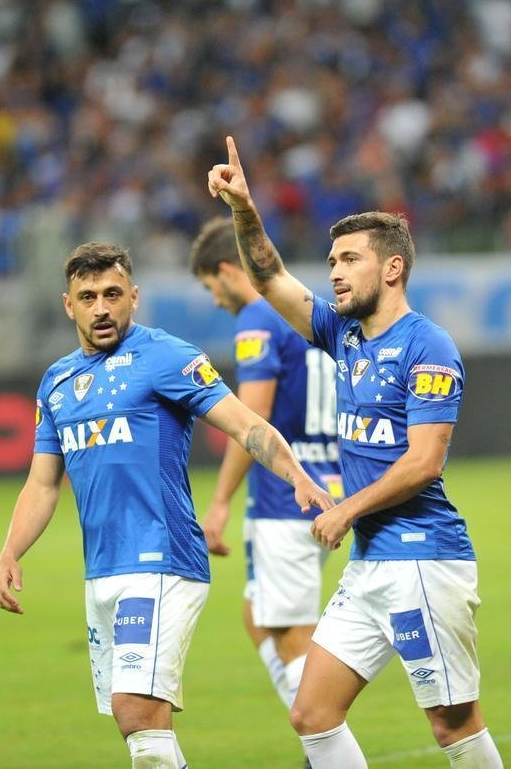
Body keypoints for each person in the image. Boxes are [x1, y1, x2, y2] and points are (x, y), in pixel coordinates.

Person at [208, 137, 504, 769]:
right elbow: (269, 278)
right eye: (332, 259)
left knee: (454, 725)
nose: (334, 271)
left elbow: (424, 463)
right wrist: (243, 209)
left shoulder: (429, 347)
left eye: (348, 259)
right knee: (312, 715)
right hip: (372, 565)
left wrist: (345, 509)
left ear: (391, 269)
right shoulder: (343, 334)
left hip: (424, 561)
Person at [0, 242, 334, 769]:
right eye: (88, 297)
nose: (101, 308)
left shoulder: (168, 357)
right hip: (103, 570)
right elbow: (42, 484)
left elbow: (246, 425)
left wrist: (298, 478)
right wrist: (11, 551)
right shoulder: (56, 383)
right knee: (141, 725)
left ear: (133, 297)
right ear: (69, 306)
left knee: (136, 707)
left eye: (111, 294)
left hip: (162, 560)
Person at [188, 218, 342, 722]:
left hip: (285, 498)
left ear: (230, 270)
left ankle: (324, 744)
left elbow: (249, 423)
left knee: (291, 635)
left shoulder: (257, 318)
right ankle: (318, 736)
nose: (215, 300)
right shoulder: (308, 312)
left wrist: (219, 502)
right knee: (258, 615)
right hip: (331, 486)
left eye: (212, 287)